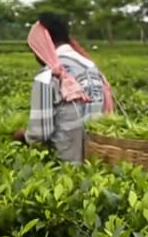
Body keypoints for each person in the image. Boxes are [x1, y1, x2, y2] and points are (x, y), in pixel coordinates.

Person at [12, 12, 113, 163]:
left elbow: (40, 134)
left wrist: (23, 136)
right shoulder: (90, 66)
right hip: (96, 160)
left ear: (43, 44)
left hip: (65, 164)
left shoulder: (48, 75)